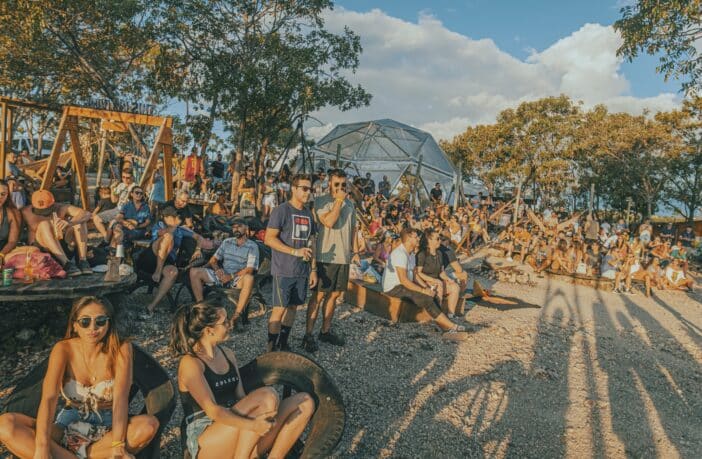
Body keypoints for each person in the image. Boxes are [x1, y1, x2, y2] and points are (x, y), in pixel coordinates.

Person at [0, 296, 159, 458]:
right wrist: (42, 446)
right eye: (85, 321)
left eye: (100, 321)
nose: (93, 328)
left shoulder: (122, 348)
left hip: (108, 428)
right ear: (75, 325)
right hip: (68, 424)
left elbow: (120, 399)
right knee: (5, 424)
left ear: (109, 322)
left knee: (148, 425)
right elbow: (49, 398)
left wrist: (118, 444)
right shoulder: (63, 349)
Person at [170, 301, 315, 459]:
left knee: (305, 402)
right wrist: (253, 425)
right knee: (267, 396)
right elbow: (213, 411)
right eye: (224, 322)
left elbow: (241, 397)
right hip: (205, 437)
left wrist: (264, 421)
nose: (230, 324)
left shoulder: (227, 354)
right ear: (209, 330)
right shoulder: (191, 363)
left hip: (238, 427)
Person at [302, 169, 359, 352]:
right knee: (318, 296)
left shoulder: (350, 205)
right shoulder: (320, 202)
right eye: (337, 184)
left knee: (334, 295)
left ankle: (325, 331)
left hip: (343, 256)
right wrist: (339, 201)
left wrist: (355, 251)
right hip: (325, 256)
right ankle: (308, 334)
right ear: (329, 184)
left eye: (344, 185)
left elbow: (353, 229)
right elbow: (329, 222)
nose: (341, 188)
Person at [382, 227, 467, 339]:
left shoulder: (411, 254)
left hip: (403, 285)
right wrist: (423, 290)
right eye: (415, 237)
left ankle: (442, 323)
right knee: (426, 298)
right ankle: (450, 327)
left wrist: (426, 286)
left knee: (431, 292)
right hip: (393, 287)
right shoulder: (400, 254)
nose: (418, 239)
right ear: (408, 239)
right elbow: (403, 280)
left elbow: (415, 275)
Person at [264, 174, 317, 352]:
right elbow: (269, 239)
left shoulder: (309, 213)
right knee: (279, 310)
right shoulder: (281, 210)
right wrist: (294, 251)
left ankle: (283, 343)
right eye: (304, 188)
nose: (308, 192)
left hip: (301, 270)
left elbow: (312, 242)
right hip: (283, 269)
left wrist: (313, 269)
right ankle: (271, 349)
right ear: (293, 189)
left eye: (310, 189)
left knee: (293, 307)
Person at [189, 218, 259, 324]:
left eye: (239, 226)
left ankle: (237, 315)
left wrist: (230, 276)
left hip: (238, 278)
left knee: (249, 278)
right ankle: (201, 309)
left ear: (246, 228)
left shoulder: (252, 246)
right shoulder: (227, 242)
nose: (236, 229)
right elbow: (213, 260)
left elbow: (249, 269)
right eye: (234, 227)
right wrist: (217, 270)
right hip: (222, 274)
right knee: (194, 271)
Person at [137, 206, 200, 318]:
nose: (177, 219)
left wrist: (198, 249)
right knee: (168, 237)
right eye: (173, 216)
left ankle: (151, 307)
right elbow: (161, 234)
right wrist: (173, 227)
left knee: (173, 272)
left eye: (176, 216)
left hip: (168, 260)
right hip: (151, 257)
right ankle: (158, 270)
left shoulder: (181, 230)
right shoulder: (159, 225)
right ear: (166, 218)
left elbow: (198, 237)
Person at [21, 189, 93, 276]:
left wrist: (69, 223)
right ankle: (66, 263)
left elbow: (86, 214)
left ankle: (82, 260)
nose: (44, 213)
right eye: (40, 210)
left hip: (63, 244)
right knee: (44, 224)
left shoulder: (61, 208)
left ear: (53, 204)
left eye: (47, 209)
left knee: (80, 222)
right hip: (42, 248)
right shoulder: (25, 212)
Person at [416, 228, 461, 319]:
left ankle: (451, 313)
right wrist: (433, 280)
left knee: (455, 286)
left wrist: (448, 279)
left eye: (439, 238)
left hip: (436, 281)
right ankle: (437, 316)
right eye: (437, 239)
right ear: (429, 240)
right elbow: (418, 273)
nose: (440, 240)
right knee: (439, 286)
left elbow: (441, 272)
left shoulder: (439, 253)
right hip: (424, 281)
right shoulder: (422, 254)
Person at [93, 169, 136, 244]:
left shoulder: (134, 186)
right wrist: (112, 189)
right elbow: (114, 200)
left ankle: (106, 240)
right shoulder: (121, 185)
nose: (125, 179)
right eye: (123, 177)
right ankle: (106, 237)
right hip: (117, 209)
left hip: (126, 211)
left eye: (128, 178)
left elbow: (130, 203)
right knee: (96, 218)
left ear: (132, 177)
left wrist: (128, 191)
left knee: (114, 225)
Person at [111, 186, 152, 251]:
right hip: (126, 227)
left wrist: (137, 226)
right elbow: (119, 217)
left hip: (138, 230)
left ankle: (115, 252)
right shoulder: (127, 205)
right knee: (118, 228)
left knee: (118, 234)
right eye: (137, 192)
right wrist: (127, 224)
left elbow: (147, 222)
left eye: (141, 193)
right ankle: (117, 252)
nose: (139, 195)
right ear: (131, 194)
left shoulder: (146, 207)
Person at [0, 179, 22, 257]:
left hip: (3, 251)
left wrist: (1, 255)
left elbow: (12, 241)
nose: (0, 197)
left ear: (7, 195)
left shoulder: (11, 213)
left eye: (3, 194)